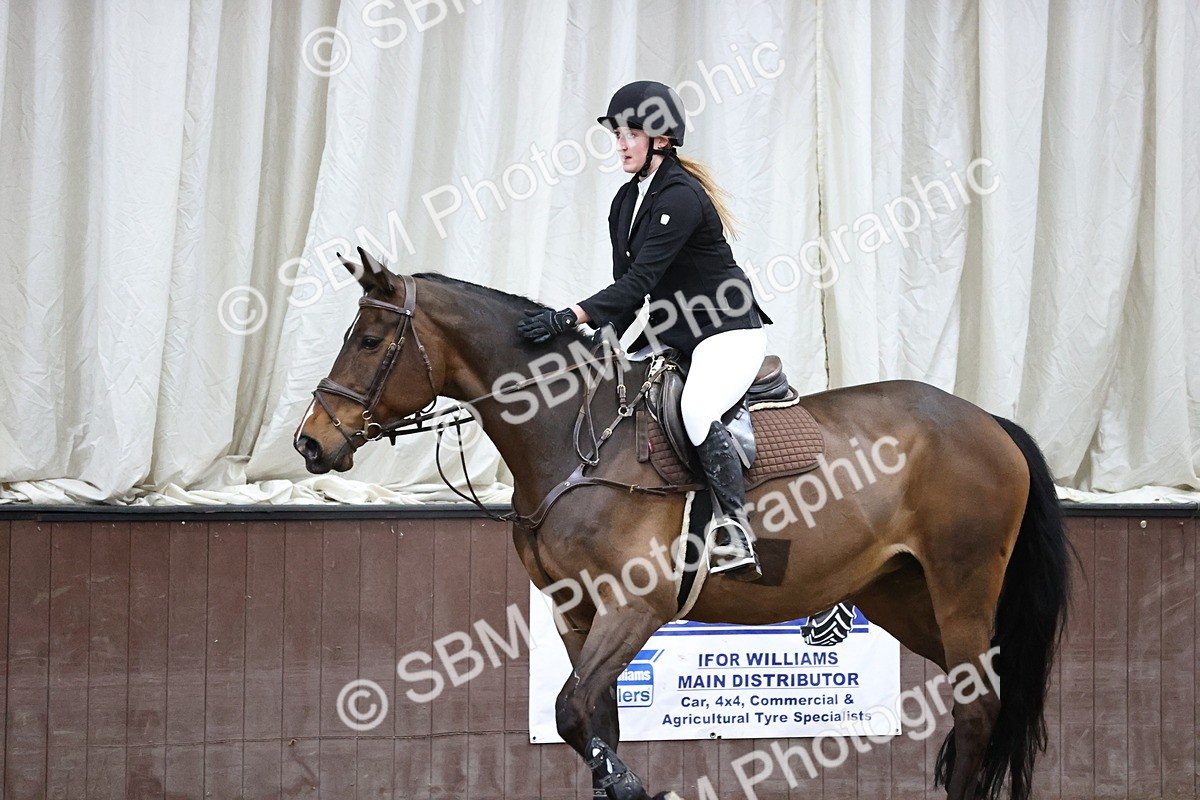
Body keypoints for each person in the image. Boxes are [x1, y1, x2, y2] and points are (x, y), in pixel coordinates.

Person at [518, 80, 771, 581]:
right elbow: (624, 293)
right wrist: (596, 342)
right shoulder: (624, 202)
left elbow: (642, 281)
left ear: (661, 139)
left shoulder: (682, 196)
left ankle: (734, 527)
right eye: (618, 134)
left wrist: (568, 316)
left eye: (631, 133)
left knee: (697, 409)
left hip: (726, 330)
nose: (621, 144)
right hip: (675, 331)